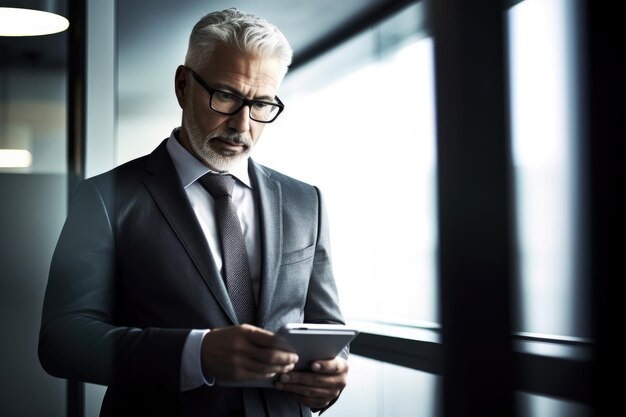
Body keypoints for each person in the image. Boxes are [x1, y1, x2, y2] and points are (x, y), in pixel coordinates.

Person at [38, 8, 348, 417]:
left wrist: (333, 374)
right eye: (227, 96)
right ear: (183, 86)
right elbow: (63, 342)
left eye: (262, 104)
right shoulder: (105, 197)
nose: (243, 124)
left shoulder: (305, 200)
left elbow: (328, 331)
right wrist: (196, 353)